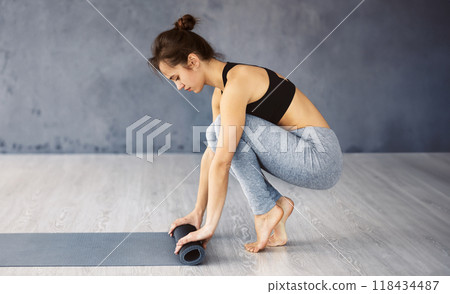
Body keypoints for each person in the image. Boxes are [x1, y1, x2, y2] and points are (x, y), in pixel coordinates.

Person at [148, 14, 344, 254]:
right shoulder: (221, 93)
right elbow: (213, 152)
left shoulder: (238, 83)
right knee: (219, 133)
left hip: (321, 156)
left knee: (222, 131)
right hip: (302, 153)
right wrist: (197, 213)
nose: (179, 86)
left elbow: (223, 162)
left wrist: (210, 227)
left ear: (193, 60)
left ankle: (265, 211)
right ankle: (274, 205)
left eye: (177, 77)